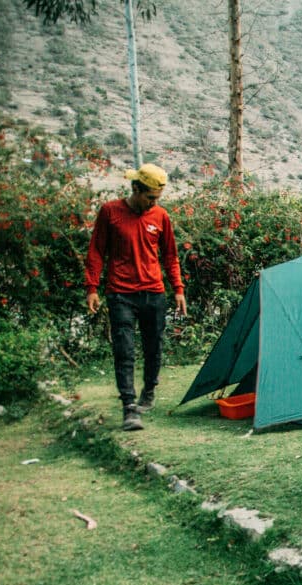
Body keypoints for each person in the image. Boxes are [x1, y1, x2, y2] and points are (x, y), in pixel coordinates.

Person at [84, 163, 187, 431]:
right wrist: (92, 288)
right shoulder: (110, 212)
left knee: (154, 347)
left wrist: (178, 289)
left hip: (154, 292)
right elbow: (96, 251)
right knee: (124, 350)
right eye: (149, 197)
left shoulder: (161, 216)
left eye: (157, 199)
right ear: (135, 189)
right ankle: (129, 407)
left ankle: (149, 390)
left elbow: (170, 256)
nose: (153, 203)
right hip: (120, 293)